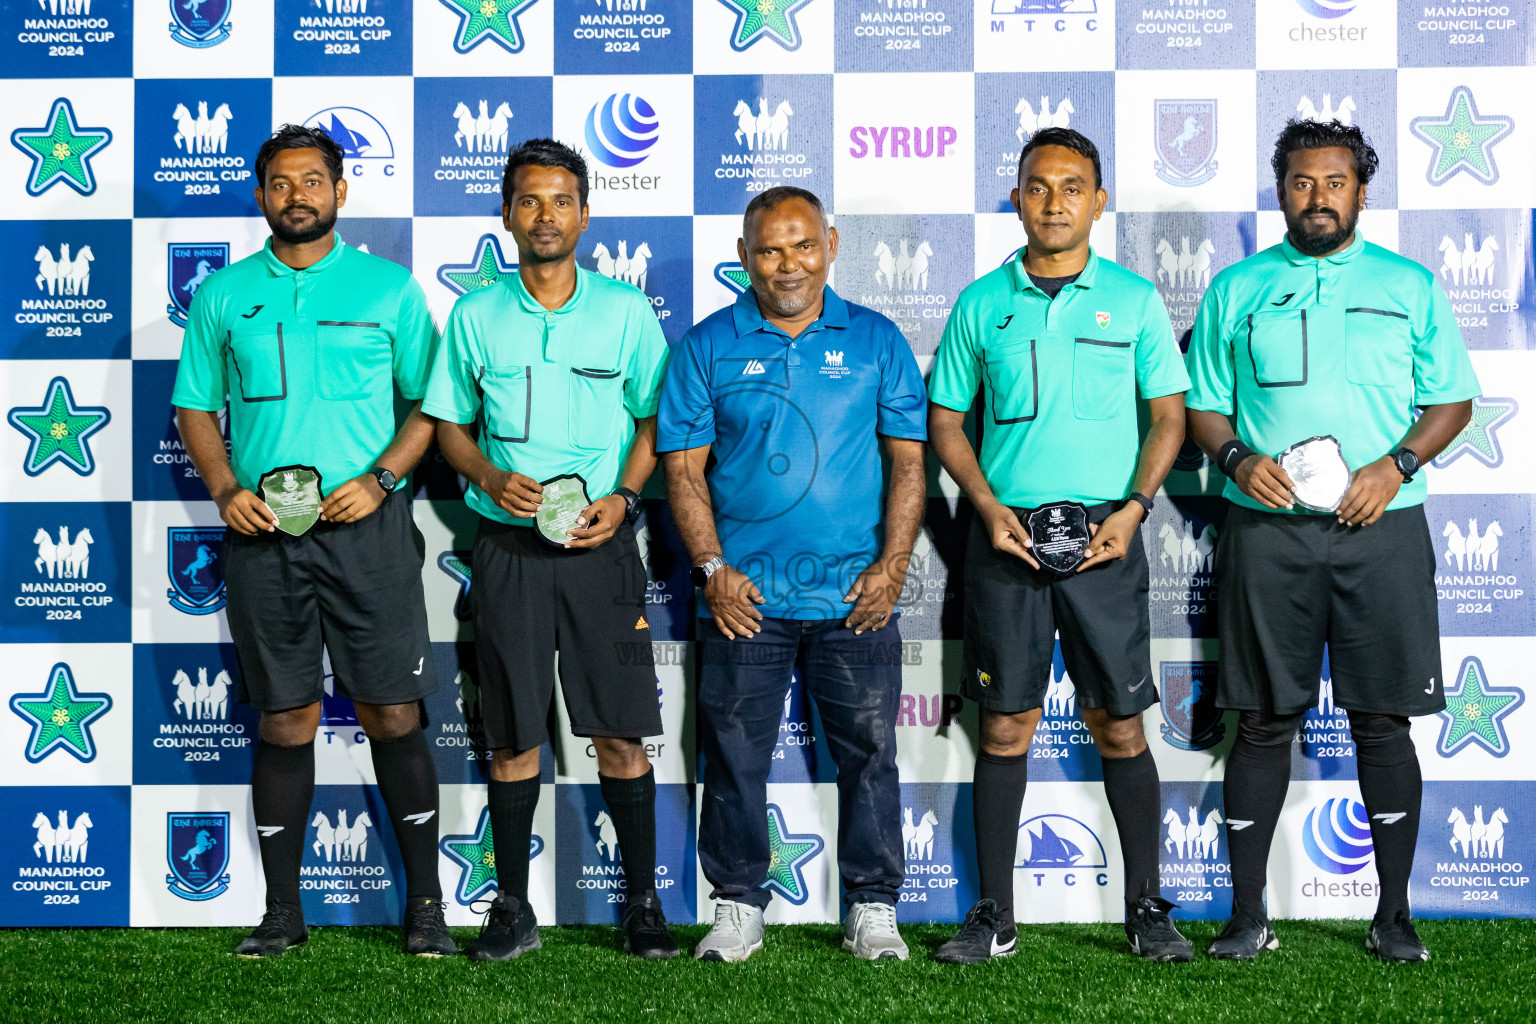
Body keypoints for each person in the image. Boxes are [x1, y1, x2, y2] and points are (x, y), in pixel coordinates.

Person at [1186, 119, 1478, 963]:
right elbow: (1203, 405)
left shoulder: (1411, 283)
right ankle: (1248, 916)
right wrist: (1237, 460)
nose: (1319, 197)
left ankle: (1393, 915)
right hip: (1268, 537)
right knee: (1263, 722)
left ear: (1360, 189)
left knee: (1383, 723)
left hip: (1381, 532)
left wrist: (1397, 464)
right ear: (1281, 189)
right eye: (1302, 182)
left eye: (1335, 182)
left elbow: (1452, 398)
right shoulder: (1236, 288)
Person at [172, 124, 450, 957]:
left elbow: (432, 405)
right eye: (282, 183)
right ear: (262, 196)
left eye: (313, 180)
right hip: (265, 538)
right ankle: (282, 913)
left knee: (392, 711)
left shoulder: (388, 288)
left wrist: (384, 480)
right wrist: (225, 490)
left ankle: (427, 908)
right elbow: (195, 406)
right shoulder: (222, 295)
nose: (298, 195)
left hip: (367, 531)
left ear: (340, 191)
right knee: (285, 720)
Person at [926, 127, 1193, 963]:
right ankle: (993, 913)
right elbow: (944, 421)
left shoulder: (1137, 299)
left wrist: (1137, 508)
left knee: (1121, 725)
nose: (1054, 202)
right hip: (1004, 546)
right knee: (1004, 728)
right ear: (1016, 199)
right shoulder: (981, 302)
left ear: (1099, 201)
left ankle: (1147, 906)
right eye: (1037, 187)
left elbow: (1170, 418)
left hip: (1109, 543)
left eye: (1072, 187)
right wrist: (983, 503)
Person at [657, 186, 927, 962]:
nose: (788, 265)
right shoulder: (707, 345)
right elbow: (683, 473)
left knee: (870, 753)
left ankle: (873, 907)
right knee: (735, 755)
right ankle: (739, 903)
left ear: (831, 245)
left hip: (855, 597)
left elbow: (908, 464)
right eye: (769, 250)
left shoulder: (876, 340)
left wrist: (893, 566)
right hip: (745, 599)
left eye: (803, 246)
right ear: (744, 257)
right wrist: (712, 569)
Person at [423, 138, 677, 961]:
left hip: (602, 550)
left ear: (585, 214)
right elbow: (450, 428)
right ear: (505, 213)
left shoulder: (627, 312)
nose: (545, 215)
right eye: (528, 201)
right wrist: (492, 478)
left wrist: (625, 499)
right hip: (507, 552)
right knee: (511, 737)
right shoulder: (474, 314)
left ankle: (642, 907)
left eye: (560, 200)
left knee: (621, 735)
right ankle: (512, 911)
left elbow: (651, 424)